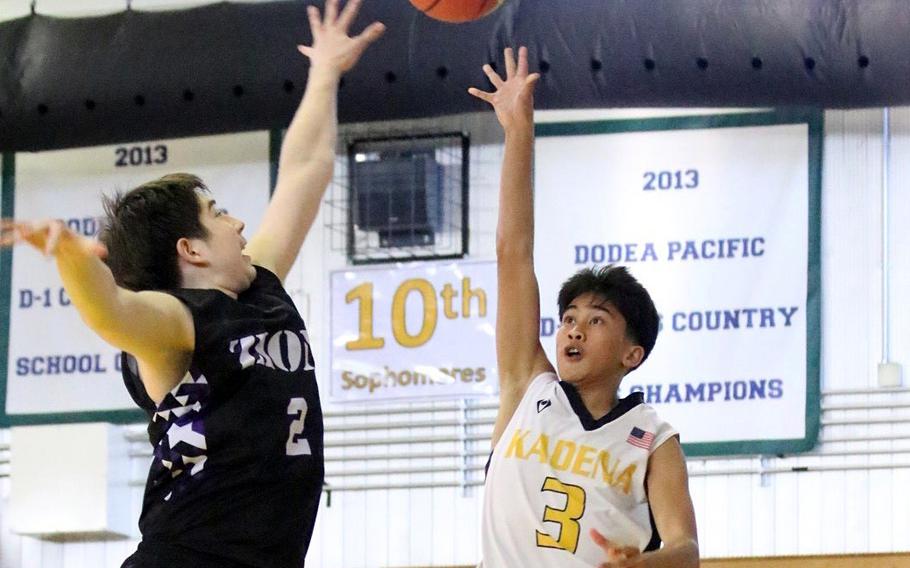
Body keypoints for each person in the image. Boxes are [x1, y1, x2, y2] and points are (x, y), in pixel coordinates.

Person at [1, 2, 384, 566]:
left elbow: (305, 169)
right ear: (191, 248)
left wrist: (324, 73)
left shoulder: (260, 289)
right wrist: (69, 255)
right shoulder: (176, 323)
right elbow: (110, 313)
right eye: (218, 211)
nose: (239, 223)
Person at [468, 47, 700, 568]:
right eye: (569, 318)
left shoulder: (653, 440)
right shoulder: (526, 383)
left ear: (632, 354)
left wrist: (638, 564)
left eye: (596, 321)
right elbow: (513, 253)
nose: (574, 330)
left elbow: (686, 551)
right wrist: (518, 132)